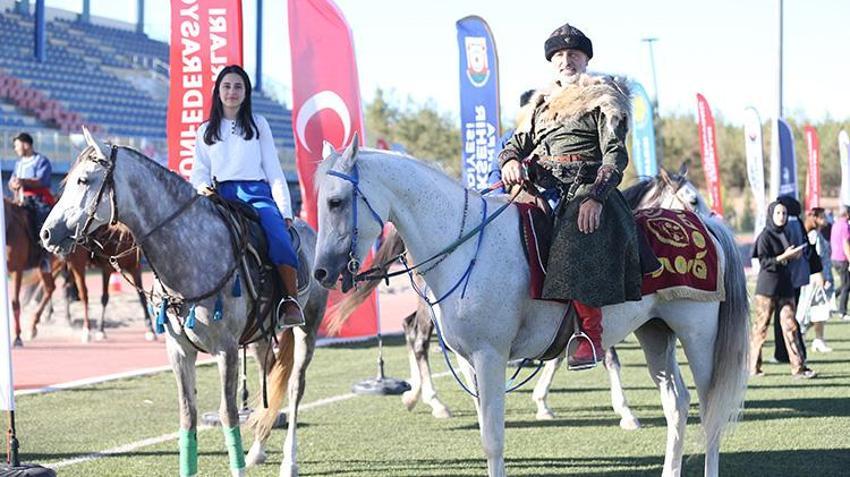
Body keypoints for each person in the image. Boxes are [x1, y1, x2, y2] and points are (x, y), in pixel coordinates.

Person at [498, 23, 642, 369]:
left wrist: (595, 195)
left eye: (573, 54)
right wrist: (510, 161)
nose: (566, 60)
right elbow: (515, 145)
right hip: (543, 186)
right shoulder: (540, 104)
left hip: (588, 186)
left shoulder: (604, 98)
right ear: (552, 62)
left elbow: (615, 155)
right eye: (560, 55)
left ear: (586, 59)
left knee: (572, 239)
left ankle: (591, 335)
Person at [190, 65, 303, 328]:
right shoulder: (204, 130)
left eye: (238, 86)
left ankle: (290, 302)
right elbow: (199, 171)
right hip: (221, 195)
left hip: (256, 194)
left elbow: (274, 170)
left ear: (246, 92)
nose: (232, 91)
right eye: (227, 86)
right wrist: (203, 187)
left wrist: (285, 211)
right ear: (218, 91)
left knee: (278, 237)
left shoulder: (258, 124)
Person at [750, 201, 816, 379]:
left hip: (786, 286)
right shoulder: (765, 235)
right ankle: (753, 367)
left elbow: (785, 259)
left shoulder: (786, 233)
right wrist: (783, 257)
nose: (782, 217)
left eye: (784, 214)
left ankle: (798, 368)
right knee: (761, 328)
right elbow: (764, 262)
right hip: (767, 288)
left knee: (790, 326)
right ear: (771, 214)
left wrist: (794, 255)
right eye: (778, 213)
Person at [8, 132, 55, 261]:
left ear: (26, 144)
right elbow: (12, 181)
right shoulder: (19, 163)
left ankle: (44, 253)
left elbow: (41, 180)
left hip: (39, 200)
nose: (15, 149)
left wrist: (23, 181)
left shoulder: (41, 161)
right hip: (21, 200)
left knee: (41, 219)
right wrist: (13, 184)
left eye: (17, 145)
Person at [797, 208, 833, 352]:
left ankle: (818, 339)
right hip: (815, 279)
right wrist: (820, 277)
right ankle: (801, 335)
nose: (825, 220)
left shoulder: (818, 234)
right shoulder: (813, 236)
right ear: (815, 218)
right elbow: (814, 258)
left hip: (823, 276)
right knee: (809, 308)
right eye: (822, 217)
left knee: (820, 310)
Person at [829, 206, 850, 320]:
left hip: (834, 258)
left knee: (845, 283)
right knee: (846, 285)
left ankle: (831, 298)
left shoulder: (835, 224)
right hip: (842, 259)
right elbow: (845, 243)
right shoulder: (845, 226)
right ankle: (842, 311)